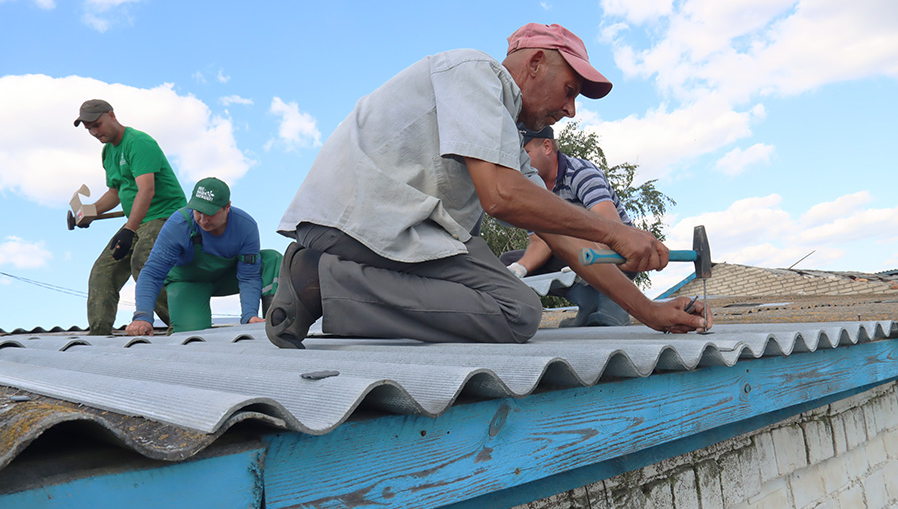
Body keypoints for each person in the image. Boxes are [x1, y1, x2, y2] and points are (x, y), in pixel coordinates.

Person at [267, 22, 711, 348]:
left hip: (408, 232)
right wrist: (615, 231)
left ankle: (332, 286)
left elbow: (566, 238)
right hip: (354, 221)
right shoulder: (474, 71)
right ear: (536, 63)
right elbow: (500, 198)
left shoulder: (506, 138)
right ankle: (318, 279)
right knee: (515, 311)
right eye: (570, 89)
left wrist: (650, 312)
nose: (571, 110)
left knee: (516, 310)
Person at [501, 124, 635, 328]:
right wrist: (519, 269)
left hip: (612, 252)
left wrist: (584, 258)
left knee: (617, 245)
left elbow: (612, 229)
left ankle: (613, 306)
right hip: (573, 255)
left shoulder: (580, 173)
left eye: (525, 153)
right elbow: (540, 242)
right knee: (507, 262)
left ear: (547, 146)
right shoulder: (531, 189)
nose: (520, 162)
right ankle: (588, 304)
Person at [75, 99, 186, 335]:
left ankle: (181, 324)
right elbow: (115, 192)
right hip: (137, 222)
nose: (95, 132)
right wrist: (90, 212)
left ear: (112, 115)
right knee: (102, 272)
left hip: (166, 218)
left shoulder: (139, 142)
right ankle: (98, 334)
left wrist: (129, 229)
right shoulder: (108, 152)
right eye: (89, 129)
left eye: (97, 125)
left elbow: (147, 190)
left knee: (143, 263)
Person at [126, 177, 281, 336]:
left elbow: (249, 276)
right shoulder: (179, 224)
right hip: (188, 283)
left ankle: (276, 323)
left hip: (226, 277)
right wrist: (143, 316)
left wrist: (250, 316)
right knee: (193, 339)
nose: (203, 220)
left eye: (210, 213)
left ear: (227, 207)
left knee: (272, 259)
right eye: (198, 211)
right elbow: (152, 273)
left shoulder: (246, 226)